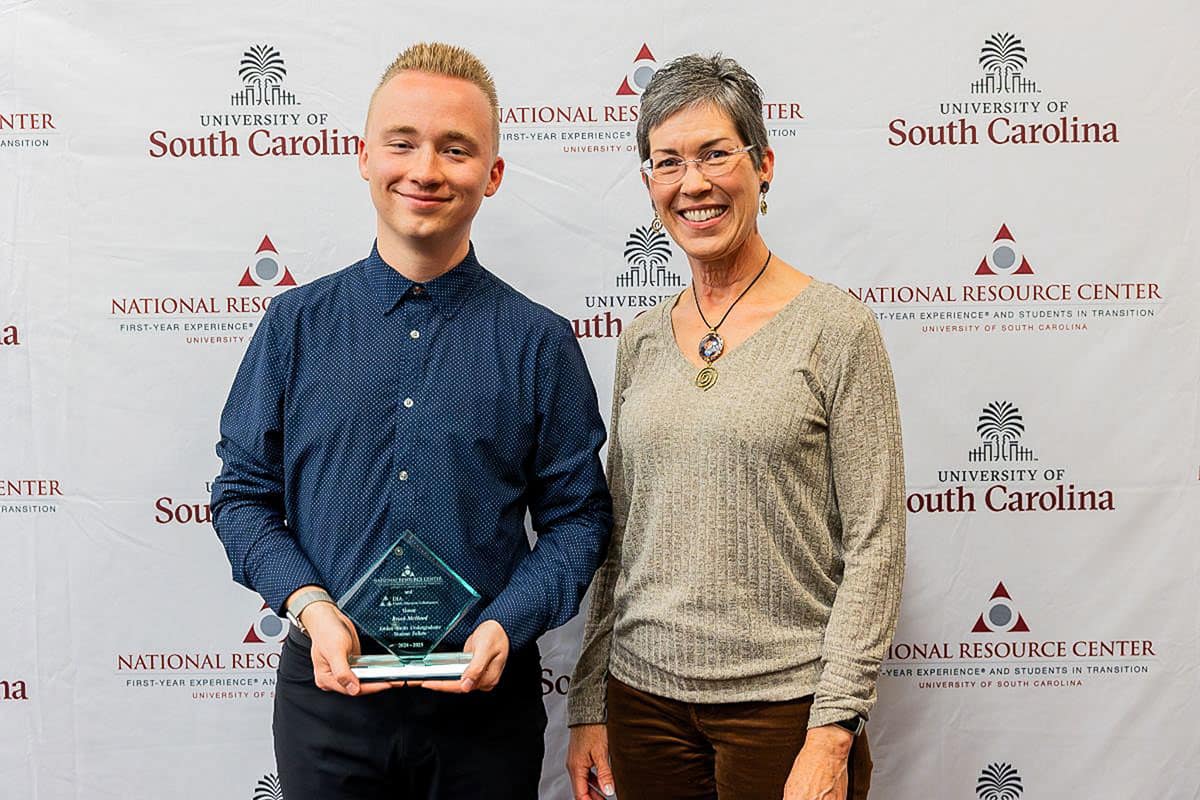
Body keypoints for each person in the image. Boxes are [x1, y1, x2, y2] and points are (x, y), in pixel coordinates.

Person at [211, 42, 612, 800]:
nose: (425, 170)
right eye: (402, 142)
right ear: (363, 157)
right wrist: (311, 604)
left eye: (455, 149)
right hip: (328, 698)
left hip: (484, 706)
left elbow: (579, 520)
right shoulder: (294, 327)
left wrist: (506, 623)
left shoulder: (539, 342)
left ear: (491, 174)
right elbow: (241, 496)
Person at [565, 54, 905, 800]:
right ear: (650, 183)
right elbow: (618, 539)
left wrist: (832, 731)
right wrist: (591, 703)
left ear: (764, 165)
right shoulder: (642, 340)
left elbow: (876, 543)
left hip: (784, 711)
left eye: (716, 153)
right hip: (642, 704)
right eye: (667, 162)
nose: (694, 183)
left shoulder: (836, 328)